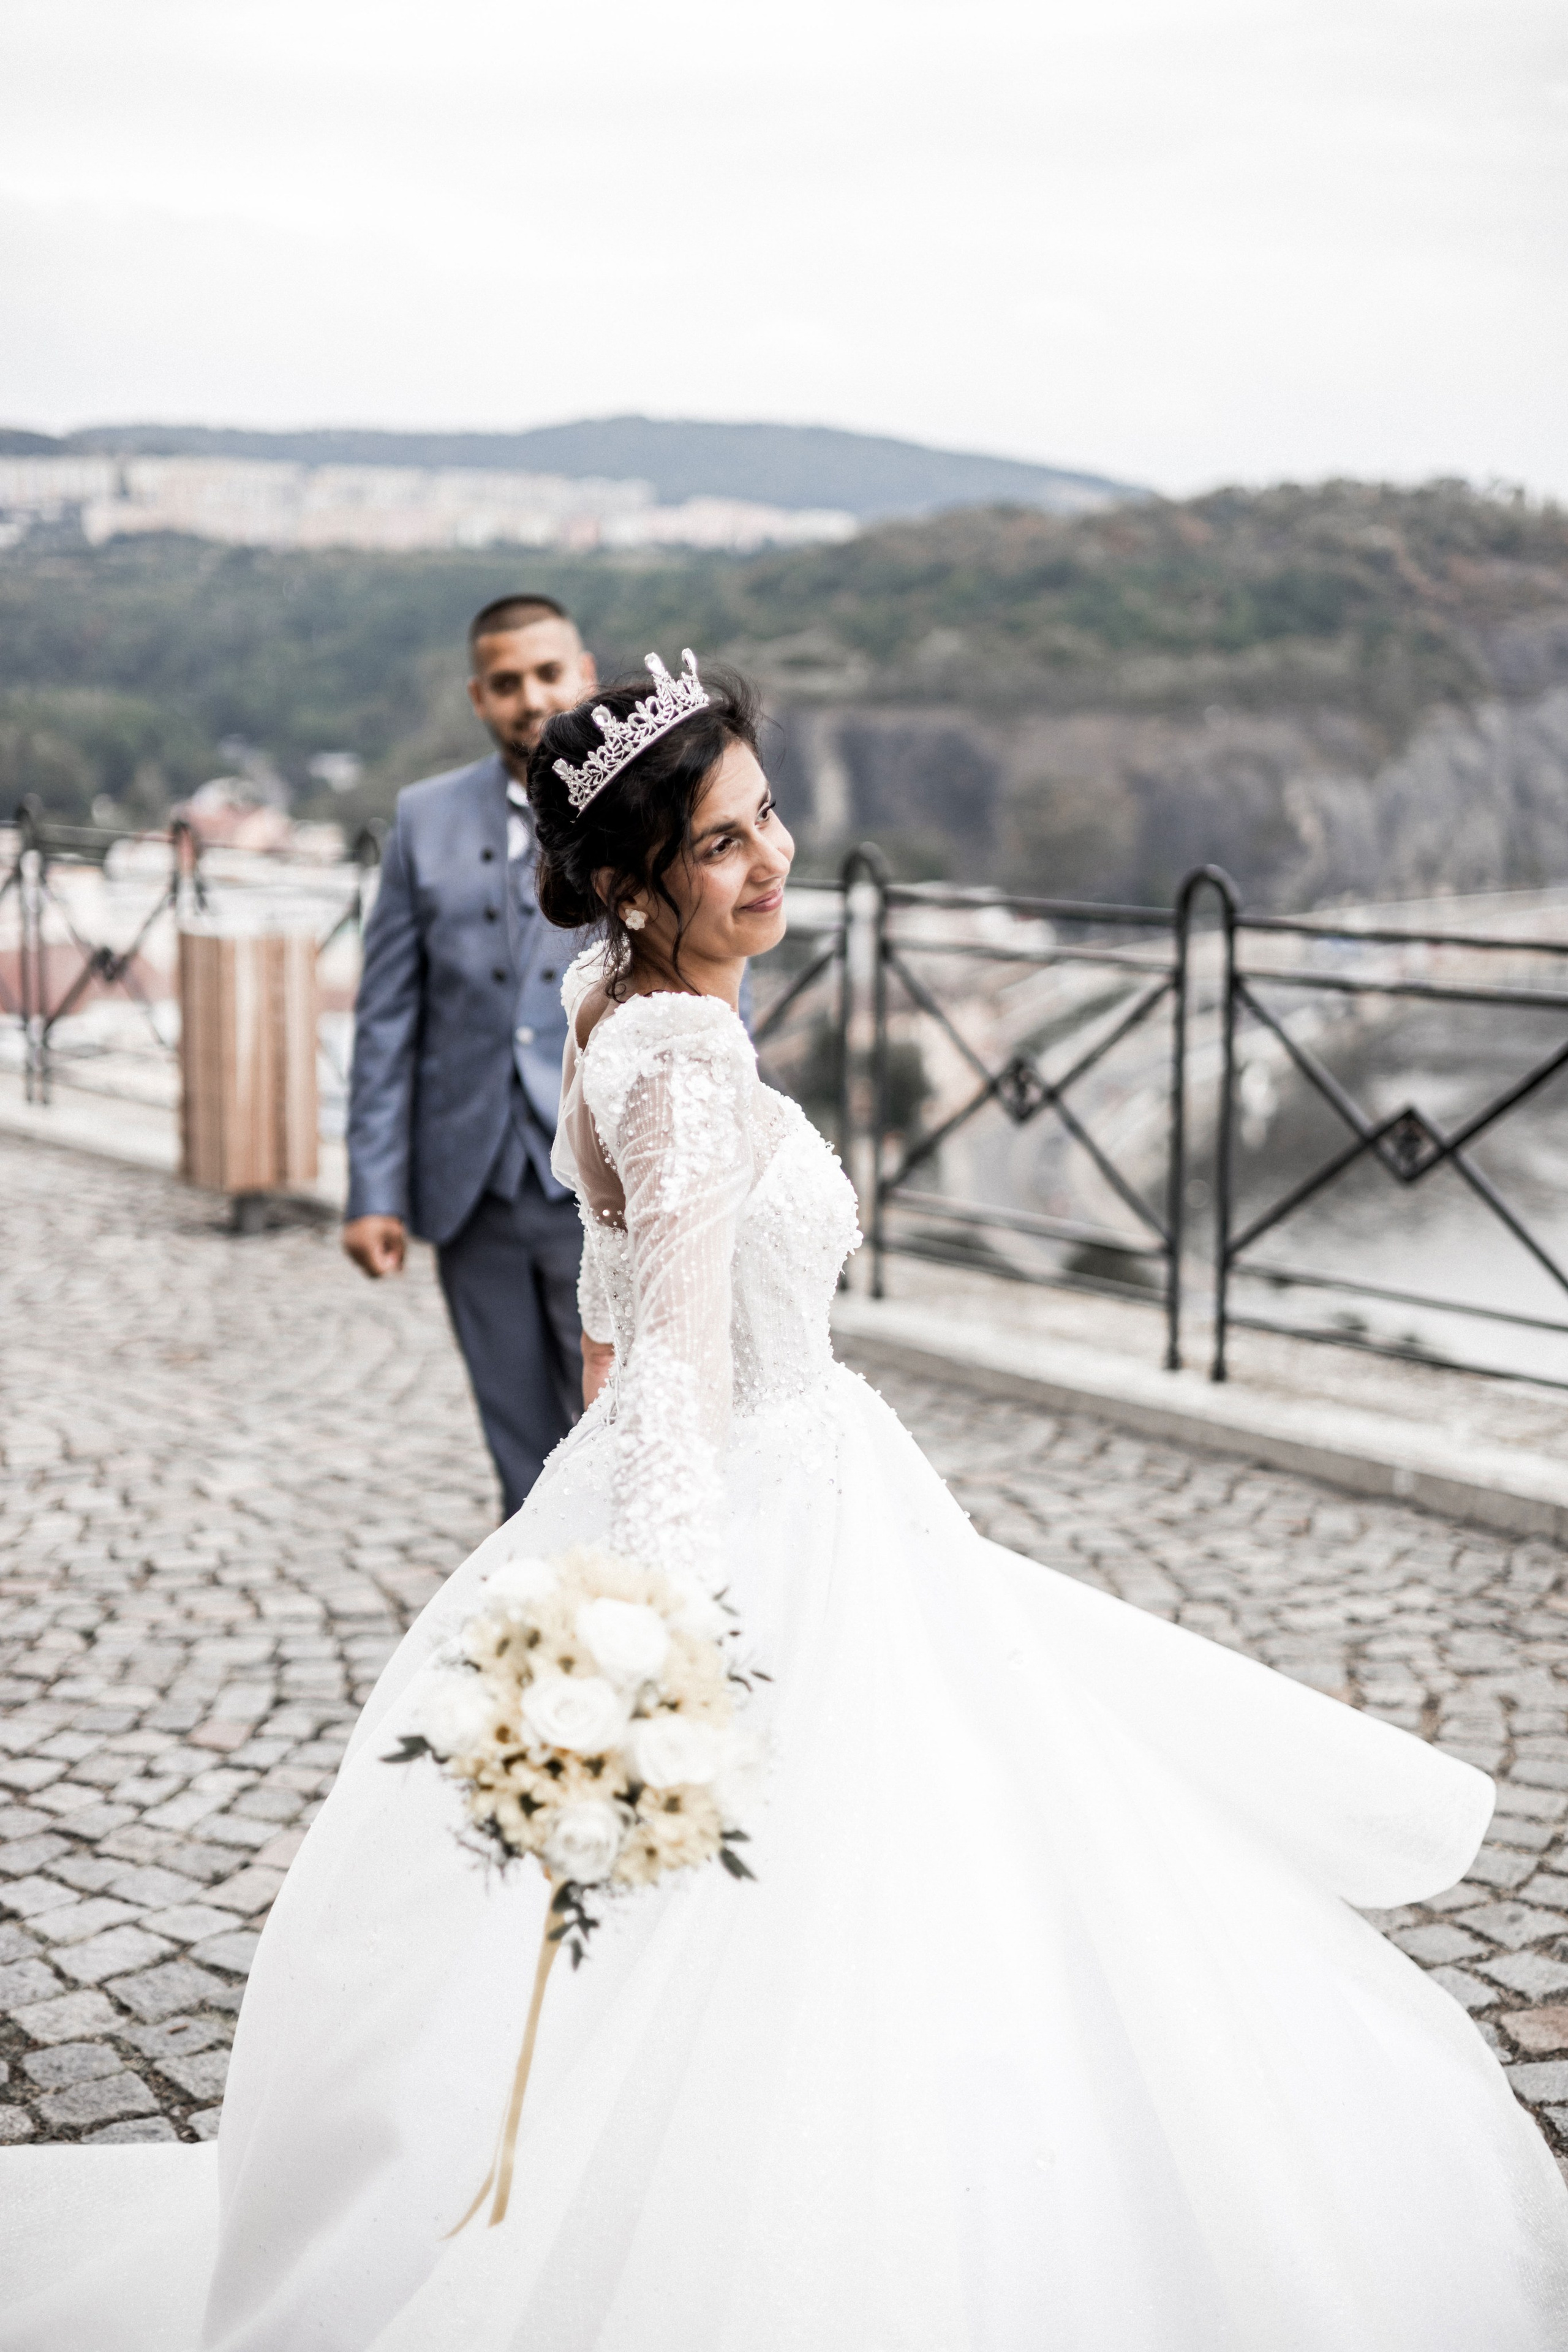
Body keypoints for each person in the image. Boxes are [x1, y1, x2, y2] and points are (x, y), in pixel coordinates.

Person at [6, 652, 1568, 2351]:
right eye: (726, 845)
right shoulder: (676, 1057)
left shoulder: (619, 1001)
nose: (773, 861)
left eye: (769, 818)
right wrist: (675, 1641)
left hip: (796, 1468)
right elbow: (662, 1366)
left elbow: (610, 1312)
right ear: (631, 882)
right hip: (766, 1508)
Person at [341, 592, 615, 1517]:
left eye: (546, 674)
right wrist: (373, 1190)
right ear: (477, 697)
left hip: (599, 1181)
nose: (529, 699)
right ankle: (540, 1627)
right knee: (518, 1451)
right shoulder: (424, 818)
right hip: (470, 1190)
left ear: (581, 674)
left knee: (618, 1435)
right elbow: (387, 1017)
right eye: (505, 684)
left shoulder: (634, 807)